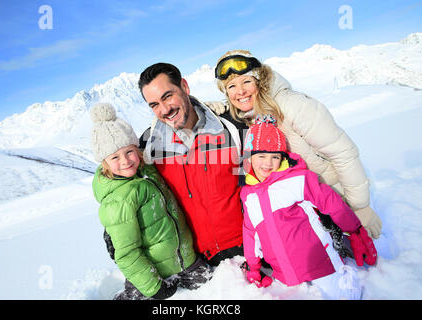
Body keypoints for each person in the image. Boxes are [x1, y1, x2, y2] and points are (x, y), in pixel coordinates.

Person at [211, 50, 382, 239]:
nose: (240, 91)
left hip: (338, 197)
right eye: (231, 86)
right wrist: (210, 110)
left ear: (259, 81)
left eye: (246, 82)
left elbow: (342, 153)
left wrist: (360, 206)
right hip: (309, 207)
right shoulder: (249, 118)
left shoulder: (292, 105)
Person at [241, 115, 377, 300]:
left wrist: (355, 230)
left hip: (320, 262)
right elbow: (251, 233)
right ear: (250, 157)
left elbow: (333, 204)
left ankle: (348, 277)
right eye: (261, 156)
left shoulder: (298, 180)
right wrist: (253, 267)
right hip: (286, 273)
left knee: (343, 296)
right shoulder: (249, 195)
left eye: (275, 156)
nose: (268, 163)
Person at [90, 103, 211, 300]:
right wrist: (153, 287)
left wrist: (203, 112)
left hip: (185, 260)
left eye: (129, 152)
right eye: (114, 157)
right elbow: (127, 253)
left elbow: (164, 129)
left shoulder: (148, 171)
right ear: (104, 164)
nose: (125, 161)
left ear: (137, 150)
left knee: (216, 286)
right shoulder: (119, 200)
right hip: (153, 272)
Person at [137, 63, 244, 266]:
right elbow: (125, 183)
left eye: (168, 96)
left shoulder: (230, 127)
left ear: (185, 87)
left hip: (248, 253)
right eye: (154, 105)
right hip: (198, 265)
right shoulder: (149, 145)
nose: (164, 109)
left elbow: (269, 173)